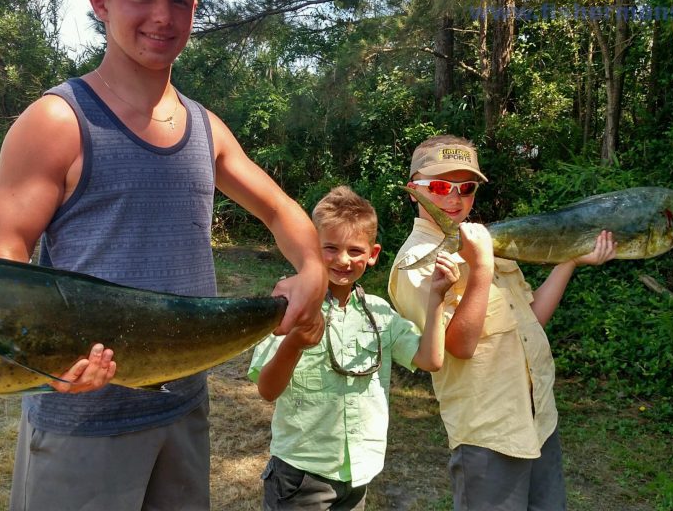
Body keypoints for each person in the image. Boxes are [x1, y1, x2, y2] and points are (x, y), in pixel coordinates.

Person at [0, 0, 326, 508]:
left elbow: (280, 209)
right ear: (100, 1)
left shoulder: (204, 127)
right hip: (83, 418)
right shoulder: (56, 121)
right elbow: (4, 258)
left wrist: (311, 266)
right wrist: (42, 353)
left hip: (183, 406)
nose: (164, 17)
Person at [387, 135, 616, 511]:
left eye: (466, 187)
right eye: (441, 186)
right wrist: (480, 268)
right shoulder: (417, 263)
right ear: (414, 191)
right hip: (488, 435)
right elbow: (457, 348)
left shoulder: (487, 241)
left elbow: (533, 318)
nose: (454, 198)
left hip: (539, 418)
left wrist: (571, 259)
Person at [248, 186, 458, 510]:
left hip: (359, 475)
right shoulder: (292, 306)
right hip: (301, 475)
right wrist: (294, 342)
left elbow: (430, 360)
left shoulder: (381, 313)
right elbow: (267, 389)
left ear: (373, 254)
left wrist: (436, 298)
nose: (343, 260)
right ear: (311, 249)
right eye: (330, 248)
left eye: (355, 251)